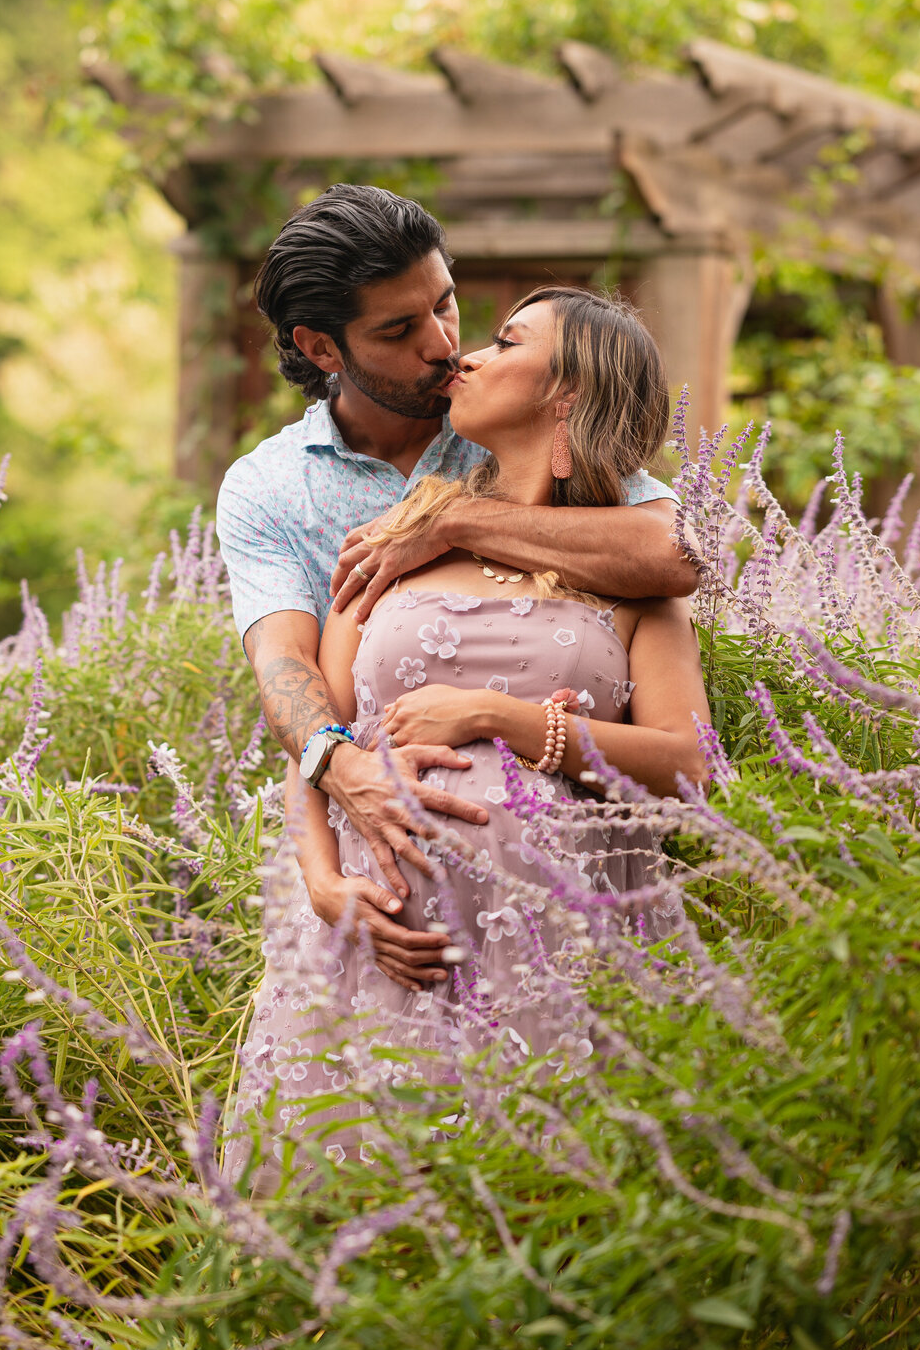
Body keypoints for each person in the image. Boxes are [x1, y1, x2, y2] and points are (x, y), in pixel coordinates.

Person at [225, 284, 710, 1185]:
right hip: (381, 943)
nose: (465, 354)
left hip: (561, 942)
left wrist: (503, 718)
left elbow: (693, 766)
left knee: (551, 1213)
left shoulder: (633, 571)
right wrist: (327, 885)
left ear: (569, 391)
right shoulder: (391, 543)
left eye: (503, 339)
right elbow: (323, 722)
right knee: (346, 1214)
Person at [215, 186, 698, 984]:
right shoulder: (271, 489)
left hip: (563, 925)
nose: (445, 345)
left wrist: (455, 522)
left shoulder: (508, 417)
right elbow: (292, 675)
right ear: (325, 348)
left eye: (446, 304)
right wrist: (322, 851)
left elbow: (674, 556)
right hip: (389, 919)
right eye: (400, 330)